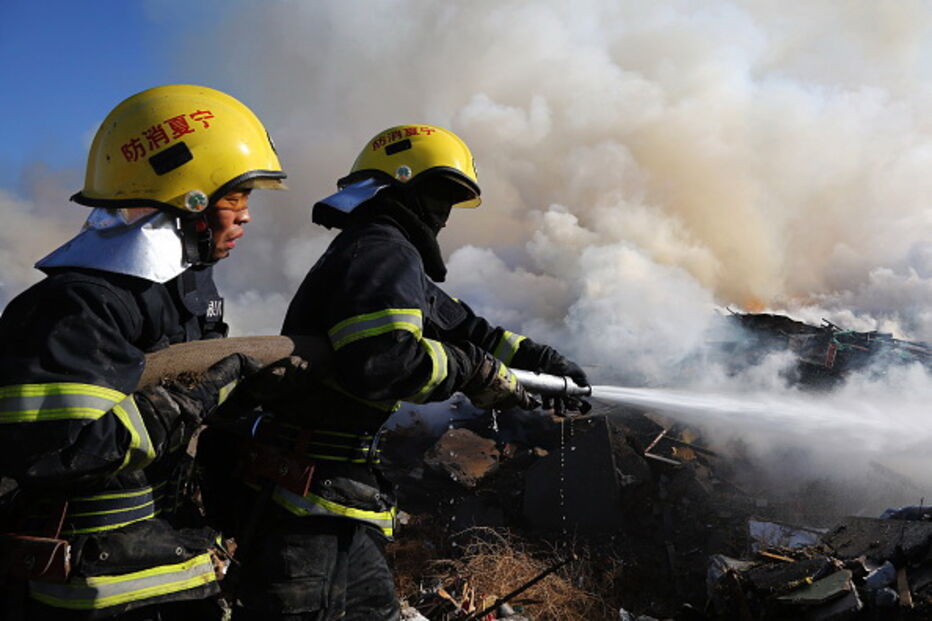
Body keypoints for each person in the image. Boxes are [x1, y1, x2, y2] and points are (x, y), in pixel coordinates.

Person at [226, 124, 588, 620]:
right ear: (402, 189)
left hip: (332, 502)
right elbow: (385, 362)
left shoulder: (390, 254)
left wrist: (543, 364)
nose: (443, 216)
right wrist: (474, 372)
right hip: (309, 513)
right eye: (439, 196)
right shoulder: (382, 250)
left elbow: (466, 328)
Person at [0, 84, 286, 620]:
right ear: (189, 199)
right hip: (89, 598)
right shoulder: (75, 306)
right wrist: (181, 405)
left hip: (166, 574)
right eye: (235, 197)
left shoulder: (174, 296)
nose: (245, 216)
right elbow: (58, 448)